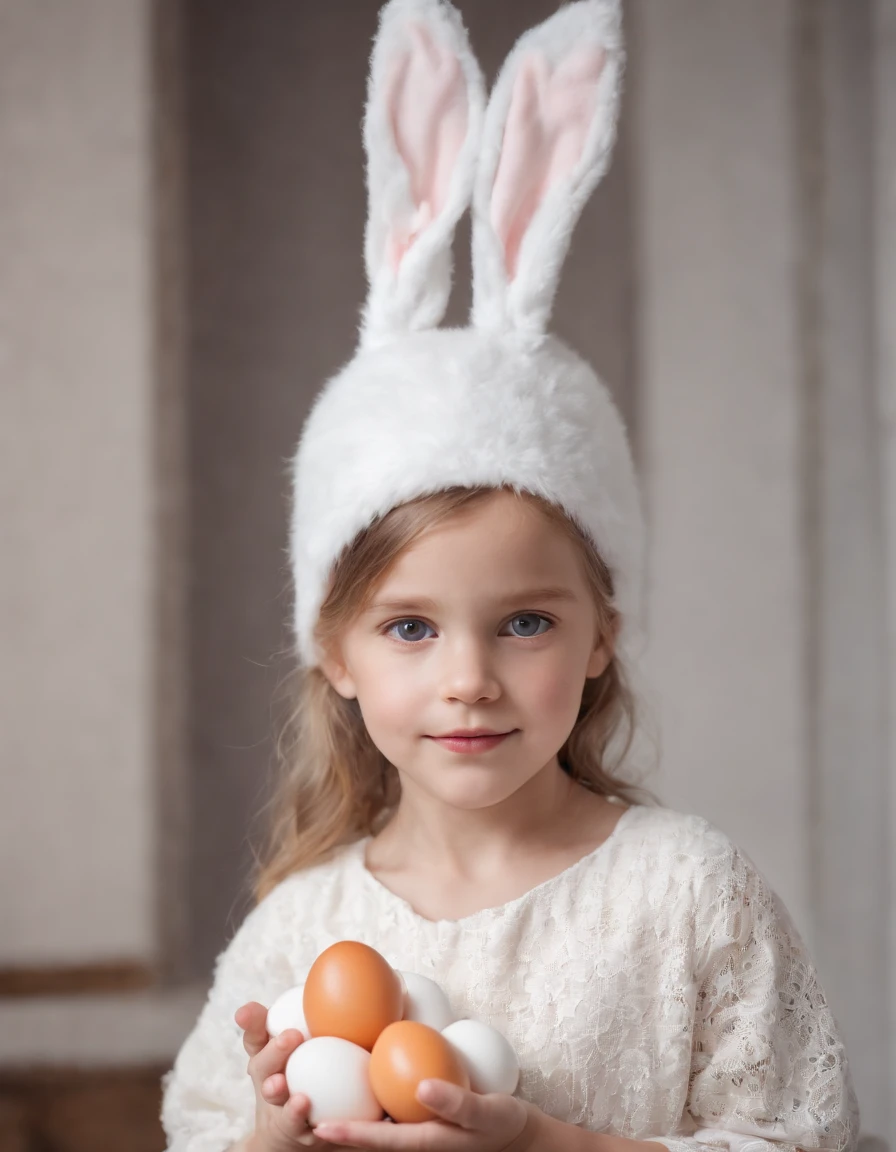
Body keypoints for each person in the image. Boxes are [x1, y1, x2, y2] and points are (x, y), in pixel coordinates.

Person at [161, 1, 860, 1149]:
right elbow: (196, 1129)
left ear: (601, 635)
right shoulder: (300, 927)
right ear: (332, 651)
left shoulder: (686, 897)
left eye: (524, 621)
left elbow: (801, 1133)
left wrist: (548, 1144)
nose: (469, 679)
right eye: (408, 629)